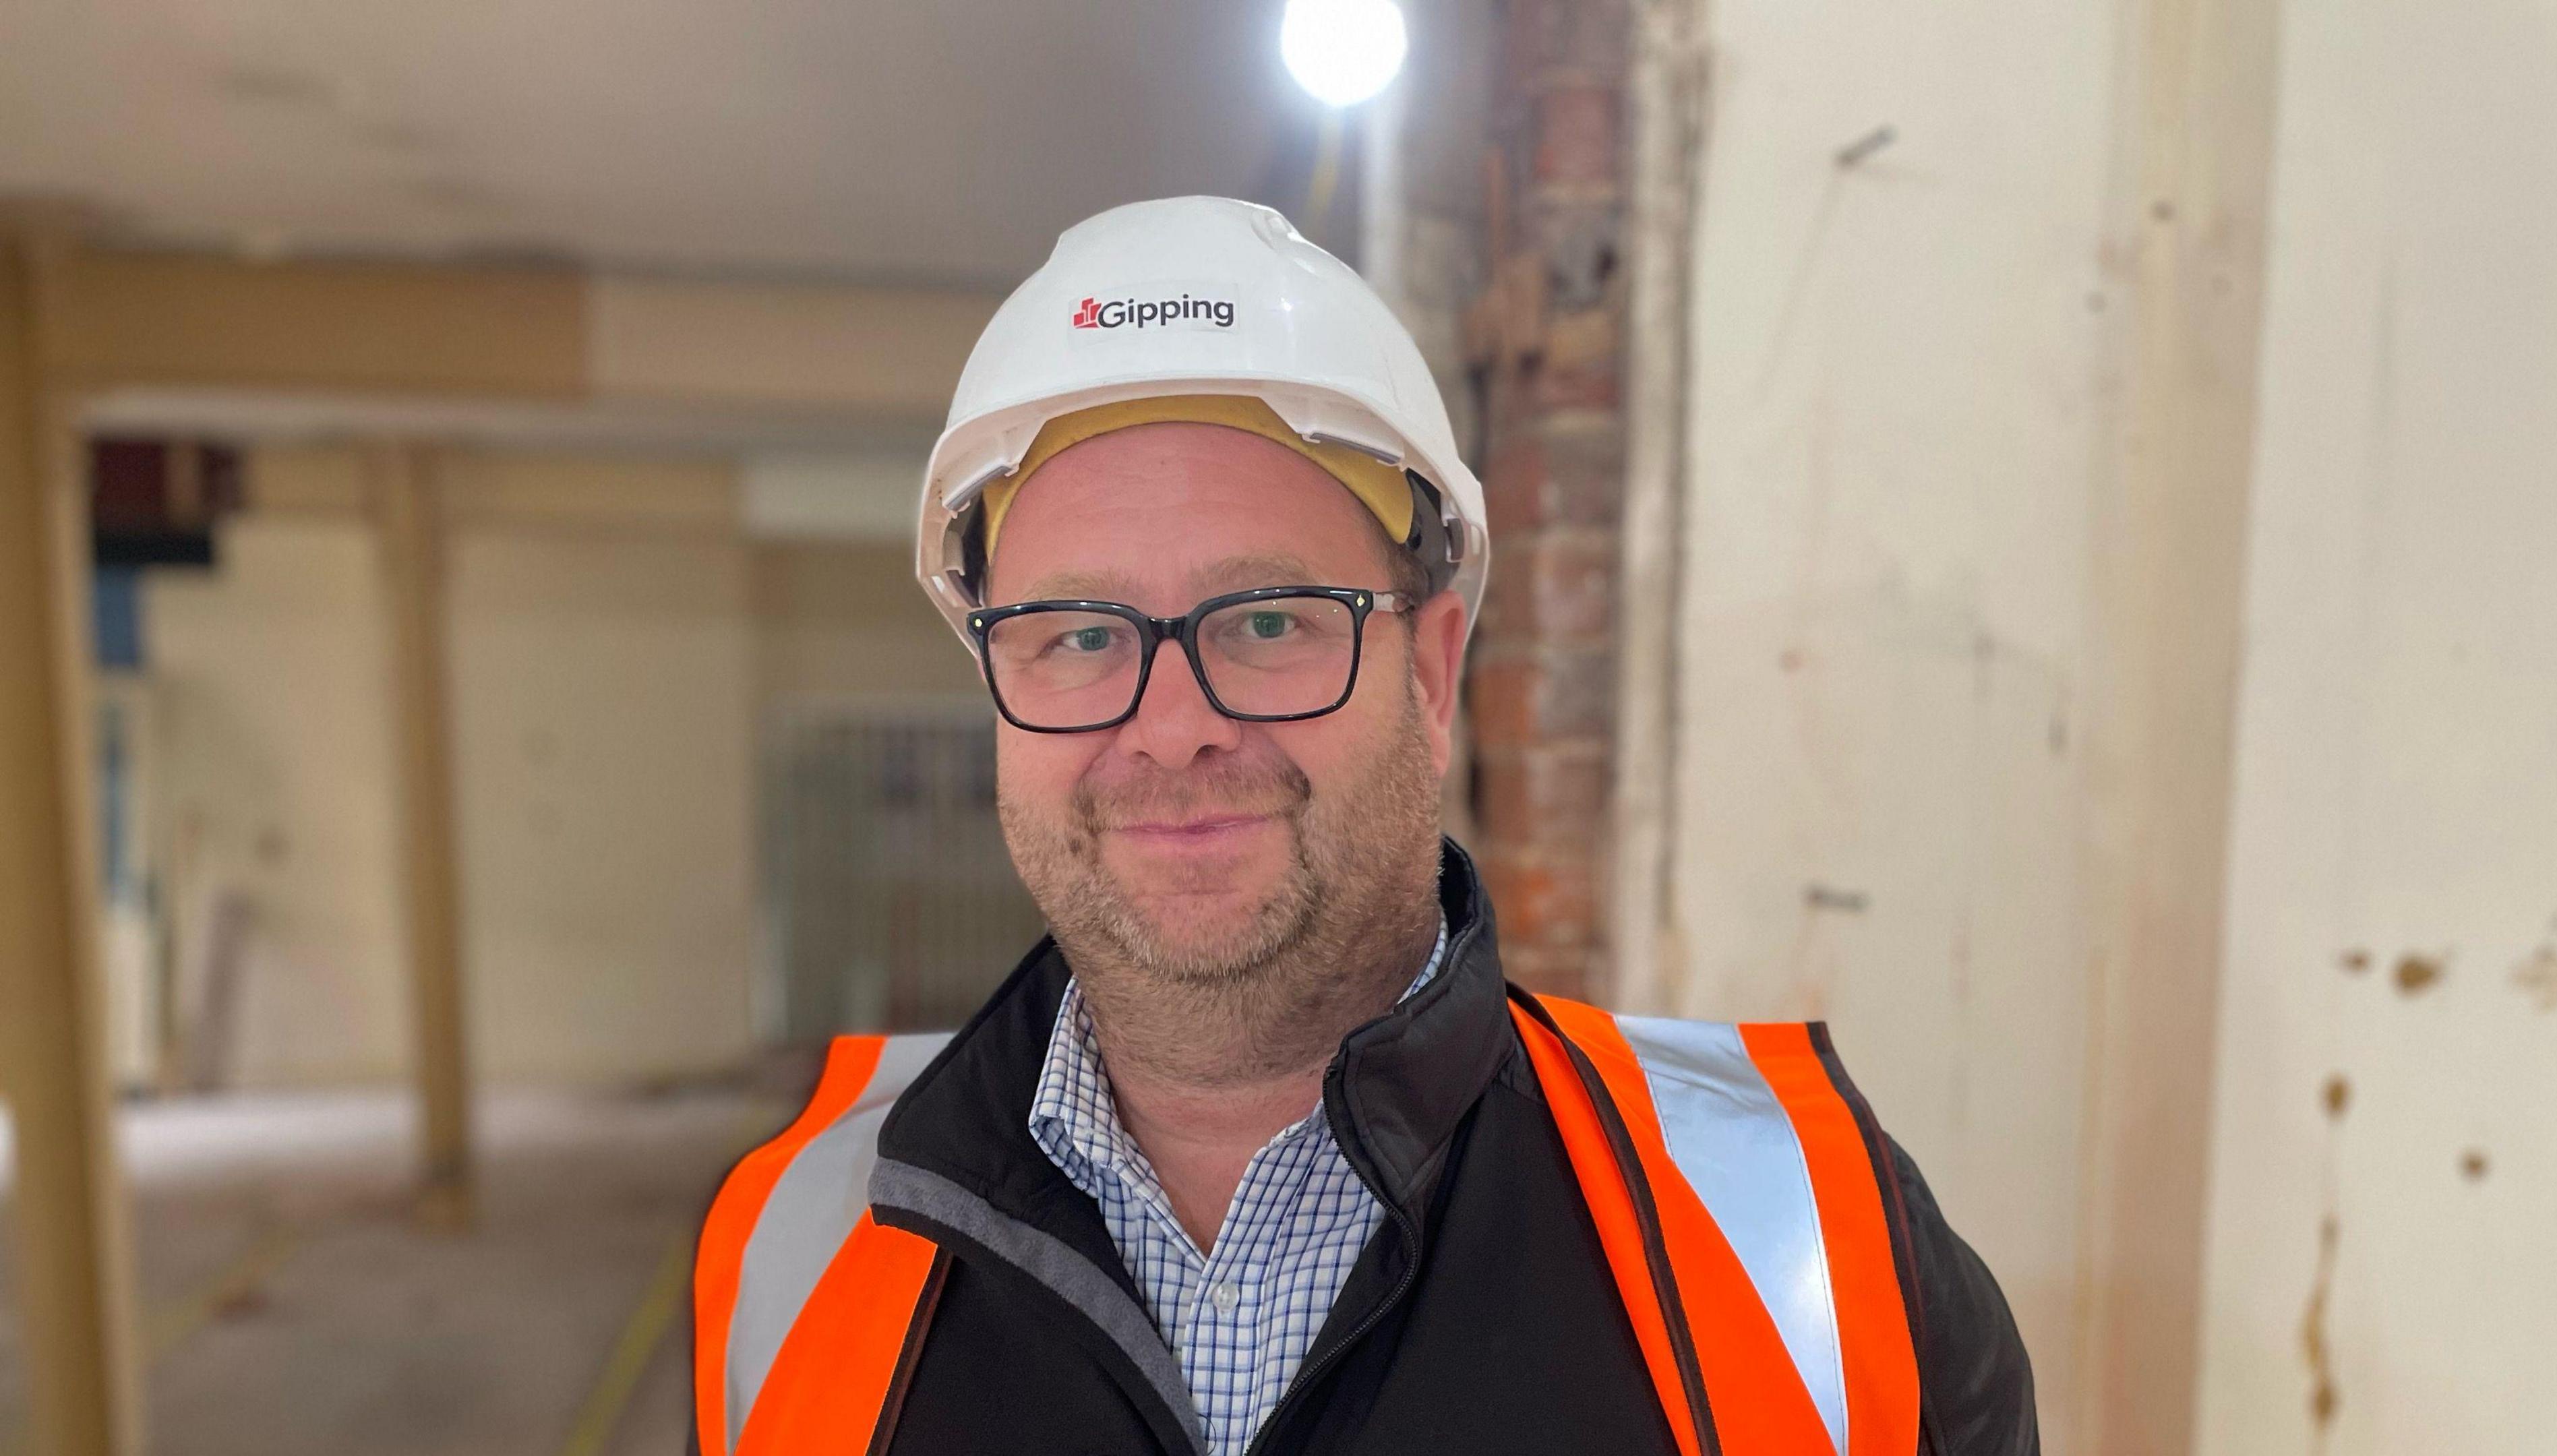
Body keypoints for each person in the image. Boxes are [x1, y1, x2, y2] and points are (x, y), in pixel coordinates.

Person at [693, 197, 2037, 1456]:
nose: (1169, 728)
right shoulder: (792, 1250)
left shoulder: (1795, 1236)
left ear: (1435, 669)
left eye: (1269, 620)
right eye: (1079, 635)